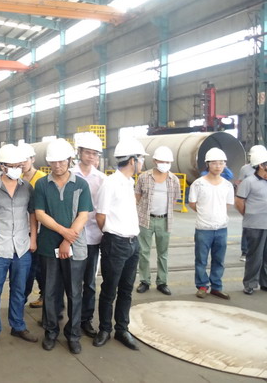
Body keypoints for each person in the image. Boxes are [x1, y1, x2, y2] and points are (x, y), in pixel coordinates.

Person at [35, 139, 93, 354]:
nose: (57, 165)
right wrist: (63, 232)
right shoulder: (42, 184)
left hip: (75, 248)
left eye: (61, 161)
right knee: (50, 292)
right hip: (48, 247)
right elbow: (40, 214)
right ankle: (51, 332)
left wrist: (68, 240)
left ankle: (73, 334)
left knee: (74, 293)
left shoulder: (81, 185)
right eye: (53, 162)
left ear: (69, 160)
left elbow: (83, 215)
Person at [0, 144, 38, 349]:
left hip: (22, 247)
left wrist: (33, 239)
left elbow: (32, 214)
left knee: (19, 290)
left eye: (18, 165)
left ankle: (18, 325)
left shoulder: (27, 188)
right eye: (12, 166)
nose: (16, 169)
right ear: (2, 166)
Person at [93, 137, 147, 351]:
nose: (142, 162)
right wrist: (113, 235)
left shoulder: (130, 182)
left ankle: (122, 329)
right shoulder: (111, 183)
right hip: (115, 243)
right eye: (141, 158)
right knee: (109, 289)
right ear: (133, 160)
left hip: (133, 243)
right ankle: (104, 329)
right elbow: (100, 216)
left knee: (126, 289)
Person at [188, 147, 235, 300]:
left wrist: (217, 215)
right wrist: (206, 213)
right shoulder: (198, 184)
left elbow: (228, 205)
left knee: (219, 260)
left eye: (221, 163)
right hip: (203, 228)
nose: (218, 166)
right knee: (201, 260)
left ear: (225, 165)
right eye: (214, 163)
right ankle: (202, 286)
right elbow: (192, 203)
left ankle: (216, 287)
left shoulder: (227, 185)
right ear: (207, 164)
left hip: (221, 228)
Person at [71, 132, 106, 338]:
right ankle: (70, 318)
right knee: (70, 281)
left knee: (89, 282)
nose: (91, 157)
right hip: (71, 236)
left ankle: (86, 319)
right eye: (87, 153)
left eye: (95, 153)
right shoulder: (69, 175)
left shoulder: (101, 179)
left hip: (93, 236)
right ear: (80, 153)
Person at [135, 146, 181, 296]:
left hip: (164, 220)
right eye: (162, 161)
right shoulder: (144, 177)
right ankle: (145, 281)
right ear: (155, 161)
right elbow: (137, 197)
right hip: (146, 220)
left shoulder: (174, 180)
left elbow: (174, 200)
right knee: (144, 252)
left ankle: (162, 282)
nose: (165, 164)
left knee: (163, 253)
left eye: (167, 162)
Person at [18, 142, 47, 309]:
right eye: (20, 160)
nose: (22, 163)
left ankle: (41, 296)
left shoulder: (41, 178)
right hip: (23, 229)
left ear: (33, 159)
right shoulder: (19, 178)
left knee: (36, 268)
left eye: (25, 160)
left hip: (39, 230)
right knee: (30, 268)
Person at [235, 147, 267, 295]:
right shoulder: (249, 182)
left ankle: (265, 282)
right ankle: (250, 284)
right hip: (254, 225)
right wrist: (249, 215)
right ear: (261, 165)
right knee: (255, 256)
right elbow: (239, 202)